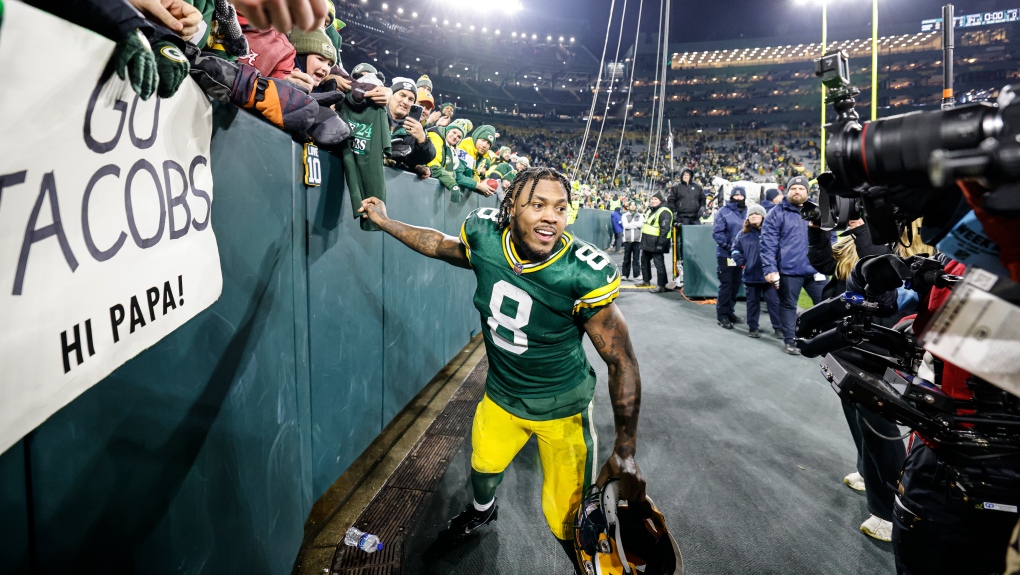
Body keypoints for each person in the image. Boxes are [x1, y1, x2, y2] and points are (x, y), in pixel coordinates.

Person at [357, 167, 645, 575]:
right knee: (482, 469)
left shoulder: (581, 272)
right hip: (502, 395)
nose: (552, 216)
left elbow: (622, 360)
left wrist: (626, 450)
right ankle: (481, 512)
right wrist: (386, 221)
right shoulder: (485, 235)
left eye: (561, 208)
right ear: (510, 207)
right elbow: (440, 244)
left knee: (572, 522)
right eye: (538, 205)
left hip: (562, 410)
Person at [761, 176, 825, 354]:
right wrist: (770, 268)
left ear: (807, 191)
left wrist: (828, 261)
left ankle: (820, 337)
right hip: (789, 270)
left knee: (824, 304)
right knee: (788, 305)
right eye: (793, 188)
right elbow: (767, 244)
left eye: (801, 188)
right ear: (787, 191)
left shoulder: (817, 211)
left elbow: (831, 236)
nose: (797, 191)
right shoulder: (776, 213)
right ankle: (791, 340)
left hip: (816, 269)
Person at [730, 204, 780, 338]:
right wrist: (742, 264)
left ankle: (779, 328)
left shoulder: (770, 232)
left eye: (757, 214)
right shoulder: (742, 234)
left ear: (763, 217)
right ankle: (753, 328)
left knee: (774, 303)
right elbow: (735, 250)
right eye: (751, 214)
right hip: (751, 274)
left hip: (769, 275)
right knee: (752, 304)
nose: (753, 216)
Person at [712, 186, 747, 329]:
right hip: (726, 254)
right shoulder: (723, 212)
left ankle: (730, 311)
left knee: (735, 285)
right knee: (726, 285)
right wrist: (729, 247)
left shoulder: (748, 212)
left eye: (741, 196)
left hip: (741, 255)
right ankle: (722, 315)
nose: (738, 198)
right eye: (736, 195)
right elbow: (717, 232)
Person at [387, 77, 435, 170]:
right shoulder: (375, 113)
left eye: (410, 99)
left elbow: (419, 158)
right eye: (402, 95)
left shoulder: (410, 128)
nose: (405, 102)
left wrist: (423, 141)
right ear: (391, 95)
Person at [666, 168, 705, 277]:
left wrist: (702, 207)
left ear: (691, 175)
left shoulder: (697, 187)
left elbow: (703, 199)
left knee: (698, 240)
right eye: (684, 174)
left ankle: (697, 262)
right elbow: (671, 201)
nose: (686, 175)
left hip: (695, 218)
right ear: (681, 175)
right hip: (682, 218)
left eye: (688, 174)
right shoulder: (676, 187)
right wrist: (674, 213)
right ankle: (680, 262)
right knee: (680, 242)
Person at [636, 192, 673, 293]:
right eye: (652, 199)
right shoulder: (651, 211)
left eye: (656, 199)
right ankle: (646, 280)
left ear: (660, 201)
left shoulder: (664, 212)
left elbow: (665, 230)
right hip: (647, 242)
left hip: (657, 243)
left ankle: (662, 285)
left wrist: (660, 244)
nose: (653, 201)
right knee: (644, 262)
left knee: (659, 264)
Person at [620, 202, 643, 281]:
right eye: (631, 205)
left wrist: (631, 223)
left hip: (637, 240)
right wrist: (636, 225)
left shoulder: (640, 215)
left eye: (634, 205)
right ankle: (625, 275)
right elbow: (625, 226)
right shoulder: (624, 215)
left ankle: (637, 275)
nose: (633, 206)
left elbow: (641, 225)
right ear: (629, 206)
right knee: (626, 258)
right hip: (627, 240)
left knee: (636, 258)